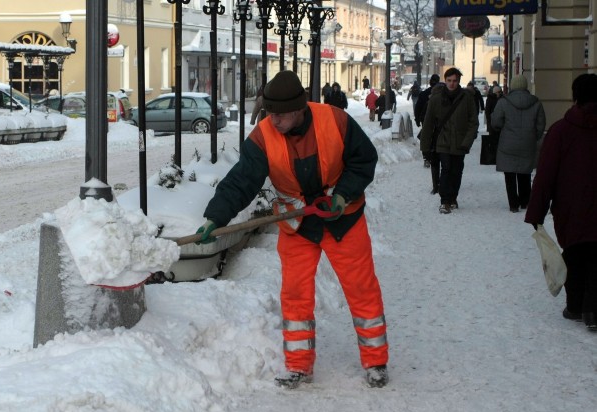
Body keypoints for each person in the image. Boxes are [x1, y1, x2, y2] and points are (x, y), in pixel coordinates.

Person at [193, 70, 389, 389]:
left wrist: (342, 194)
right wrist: (215, 217)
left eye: (281, 115)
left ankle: (376, 360)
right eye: (270, 113)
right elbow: (242, 181)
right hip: (297, 222)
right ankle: (298, 365)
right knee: (295, 294)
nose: (275, 121)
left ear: (300, 108)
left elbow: (363, 160)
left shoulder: (335, 121)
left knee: (361, 288)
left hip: (343, 219)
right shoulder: (263, 135)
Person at [524, 73, 597, 331]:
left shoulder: (560, 131)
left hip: (570, 208)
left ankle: (577, 305)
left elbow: (545, 175)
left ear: (574, 96)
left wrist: (536, 212)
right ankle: (592, 308)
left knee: (575, 254)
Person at [419, 67, 479, 214]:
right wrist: (425, 147)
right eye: (449, 81)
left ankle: (453, 198)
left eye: (455, 81)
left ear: (459, 81)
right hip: (443, 141)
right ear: (445, 81)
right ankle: (445, 201)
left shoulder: (467, 98)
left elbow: (473, 122)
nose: (452, 84)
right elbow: (428, 124)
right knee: (445, 169)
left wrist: (467, 142)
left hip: (460, 142)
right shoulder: (436, 99)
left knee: (457, 171)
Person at [491, 75, 546, 213]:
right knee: (525, 172)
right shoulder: (536, 103)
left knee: (509, 174)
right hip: (528, 142)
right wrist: (534, 137)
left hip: (507, 143)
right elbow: (541, 125)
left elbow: (496, 122)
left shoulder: (504, 102)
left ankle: (513, 204)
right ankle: (524, 201)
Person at [414, 74, 441, 175]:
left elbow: (418, 107)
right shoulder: (442, 94)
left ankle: (427, 156)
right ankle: (434, 154)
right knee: (434, 137)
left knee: (426, 137)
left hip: (425, 119)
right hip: (437, 120)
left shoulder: (424, 94)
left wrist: (417, 118)